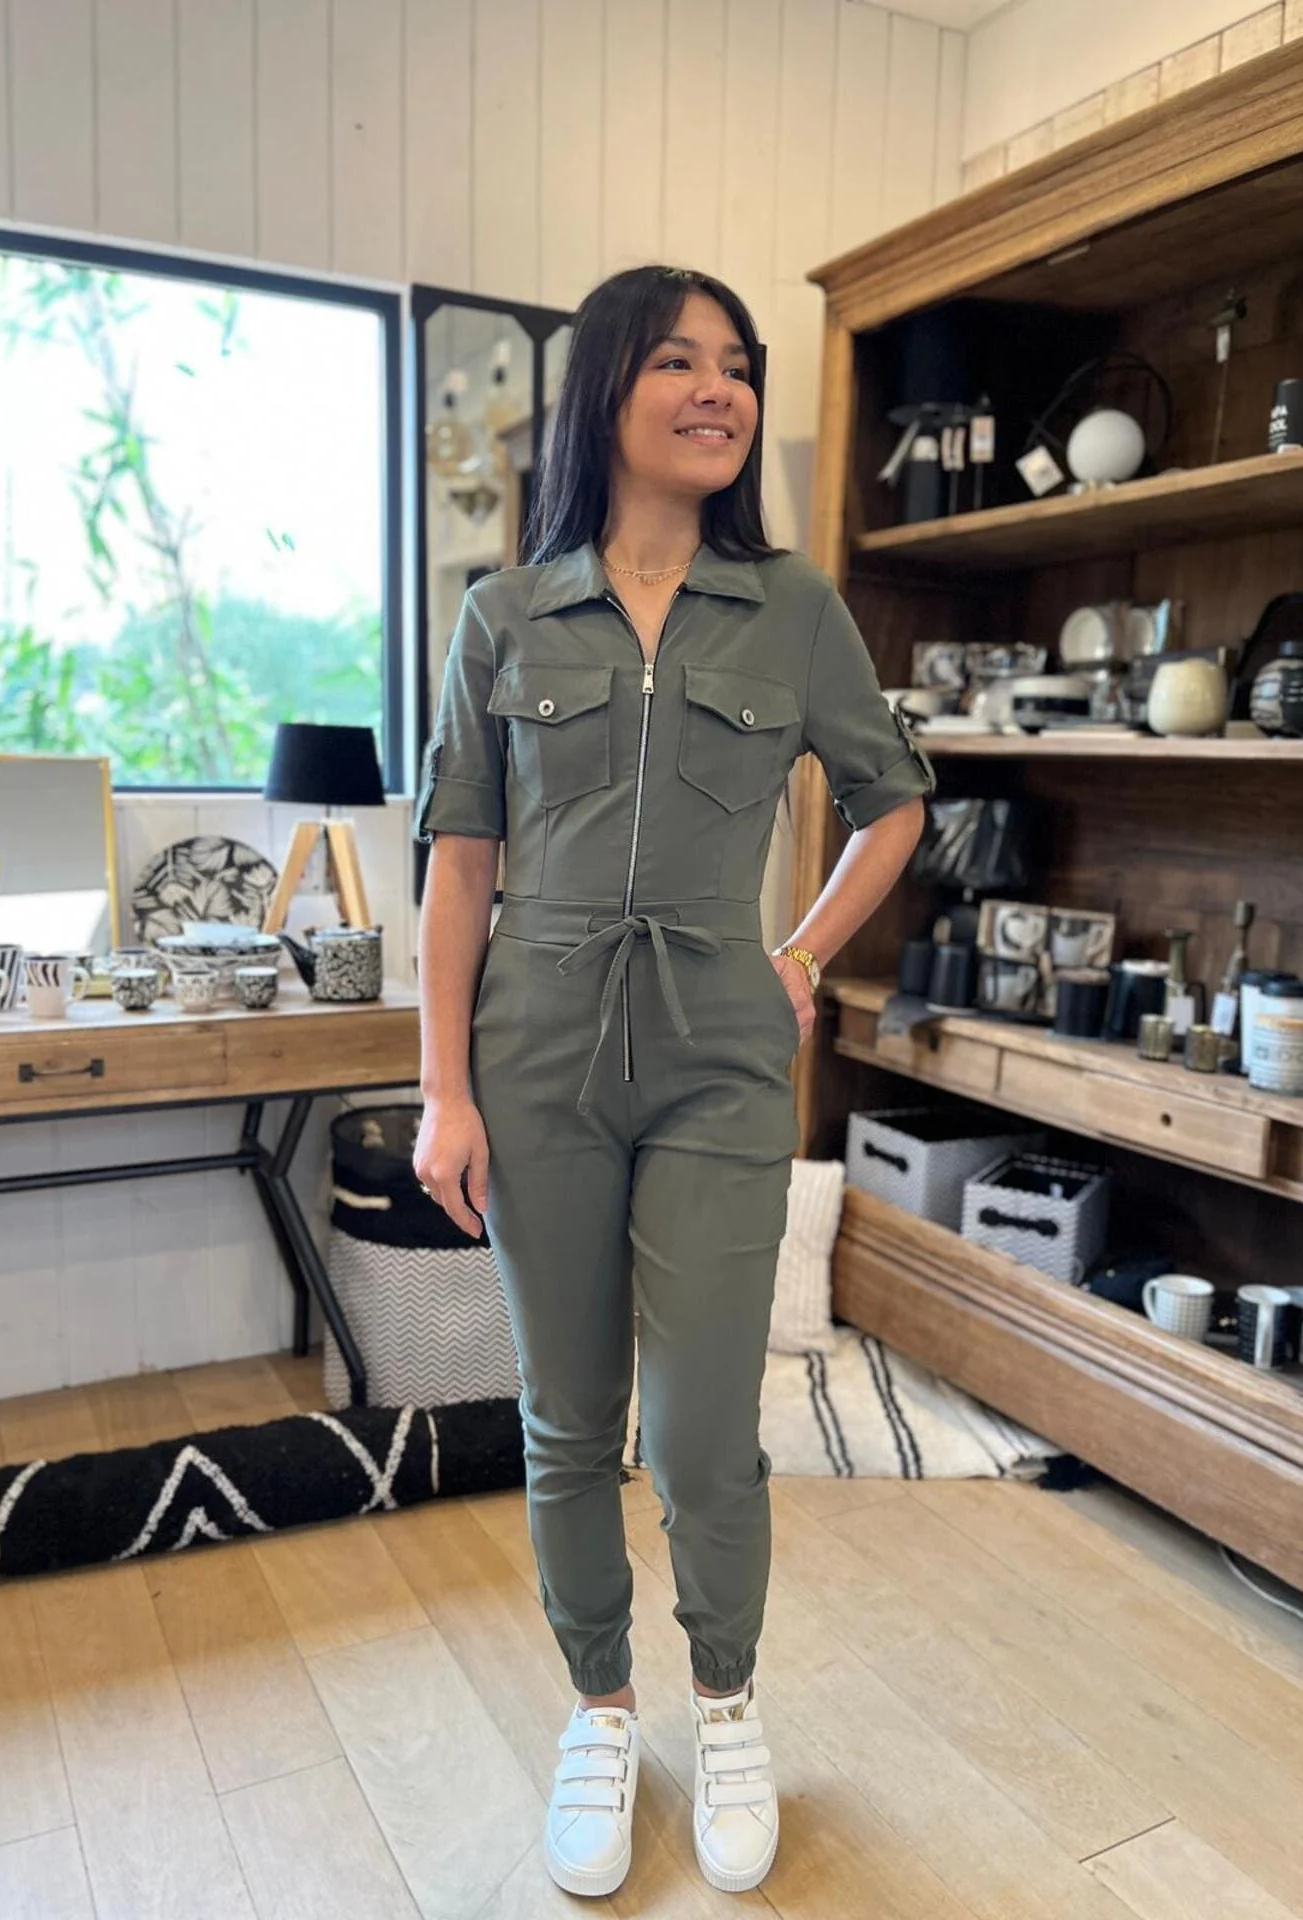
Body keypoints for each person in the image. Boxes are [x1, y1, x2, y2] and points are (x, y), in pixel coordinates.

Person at [412, 264, 934, 1899]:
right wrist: (443, 1090)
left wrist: (802, 955)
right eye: (680, 361)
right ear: (607, 391)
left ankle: (724, 1700)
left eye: (740, 367)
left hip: (721, 1047)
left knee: (705, 1426)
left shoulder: (793, 608)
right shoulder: (505, 616)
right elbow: (459, 865)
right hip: (536, 1047)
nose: (721, 391)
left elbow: (893, 801)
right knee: (569, 1418)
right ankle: (598, 1708)